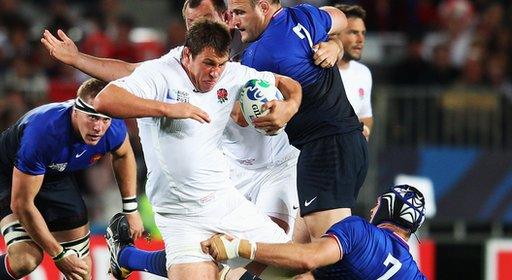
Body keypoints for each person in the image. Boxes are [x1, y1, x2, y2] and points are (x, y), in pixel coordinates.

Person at [41, 0, 342, 243]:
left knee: (280, 252)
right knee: (241, 258)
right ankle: (132, 256)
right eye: (190, 24)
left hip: (275, 165)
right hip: (232, 174)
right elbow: (130, 72)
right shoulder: (180, 65)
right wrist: (78, 59)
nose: (197, 29)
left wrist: (334, 45)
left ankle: (132, 257)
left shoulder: (254, 48)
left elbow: (333, 27)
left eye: (204, 19)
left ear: (225, 17)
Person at [92, 20, 302, 280]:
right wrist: (168, 109)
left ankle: (128, 257)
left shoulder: (231, 74)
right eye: (208, 64)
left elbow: (288, 83)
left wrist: (290, 106)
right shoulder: (159, 73)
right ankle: (128, 256)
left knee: (296, 269)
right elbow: (105, 100)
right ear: (187, 55)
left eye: (221, 64)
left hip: (223, 200)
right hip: (180, 214)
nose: (215, 73)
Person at [228, 0, 368, 241]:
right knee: (299, 255)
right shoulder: (303, 15)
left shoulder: (260, 55)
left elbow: (240, 116)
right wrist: (335, 43)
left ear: (263, 7)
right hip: (347, 143)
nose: (234, 21)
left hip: (324, 151)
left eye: (240, 12)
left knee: (329, 255)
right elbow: (340, 18)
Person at [0, 78, 144, 280]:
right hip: (9, 173)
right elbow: (22, 204)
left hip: (55, 174)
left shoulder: (113, 126)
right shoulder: (43, 134)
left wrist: (131, 208)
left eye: (104, 119)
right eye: (92, 117)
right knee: (25, 260)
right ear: (75, 111)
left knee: (80, 269)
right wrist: (57, 254)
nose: (98, 128)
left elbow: (124, 154)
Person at [201, 184, 427, 280]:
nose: (371, 209)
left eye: (377, 204)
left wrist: (239, 246)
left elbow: (308, 259)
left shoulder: (361, 231)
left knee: (231, 273)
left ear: (386, 207)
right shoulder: (414, 273)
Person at [335, 4, 374, 141]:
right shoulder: (316, 71)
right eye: (353, 32)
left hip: (349, 157)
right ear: (335, 35)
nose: (361, 39)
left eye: (363, 33)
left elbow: (365, 115)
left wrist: (365, 130)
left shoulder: (363, 73)